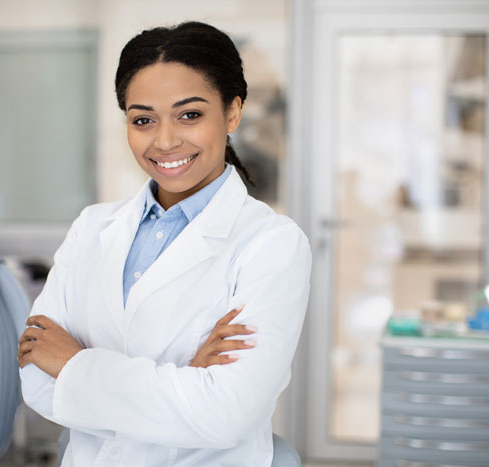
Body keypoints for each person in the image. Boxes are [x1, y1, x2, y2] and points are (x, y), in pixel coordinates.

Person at [17, 21, 311, 467]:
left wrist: (75, 366)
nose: (165, 140)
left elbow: (224, 415)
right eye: (143, 120)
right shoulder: (92, 227)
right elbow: (37, 381)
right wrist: (186, 380)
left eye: (190, 114)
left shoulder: (272, 244)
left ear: (232, 113)